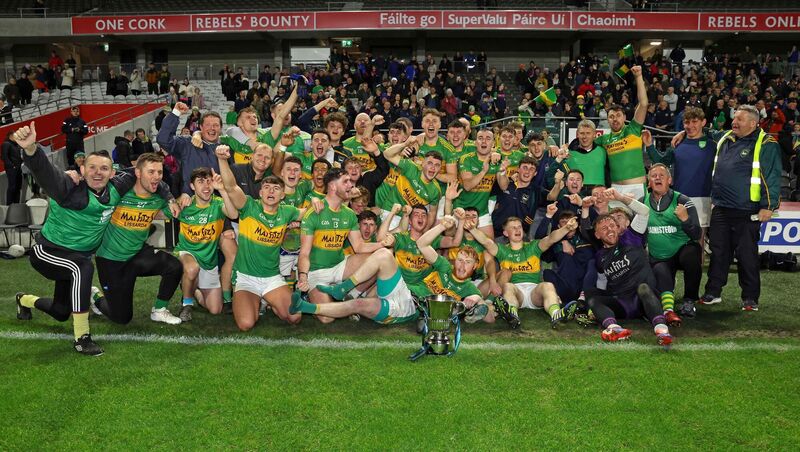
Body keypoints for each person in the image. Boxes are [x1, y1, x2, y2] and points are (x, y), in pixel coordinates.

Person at [12, 122, 139, 355]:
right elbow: (45, 172)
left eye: (103, 168)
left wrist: (170, 193)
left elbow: (140, 171)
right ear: (82, 170)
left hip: (74, 257)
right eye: (92, 167)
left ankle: (24, 300)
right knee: (82, 267)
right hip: (47, 253)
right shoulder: (67, 188)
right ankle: (82, 337)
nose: (97, 172)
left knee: (61, 312)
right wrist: (31, 149)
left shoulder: (117, 186)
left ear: (113, 173)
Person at [216, 145, 309, 330]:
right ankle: (254, 300)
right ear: (260, 192)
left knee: (295, 317)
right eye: (267, 187)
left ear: (283, 195)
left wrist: (316, 201)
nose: (271, 192)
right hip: (246, 278)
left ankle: (269, 301)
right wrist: (222, 159)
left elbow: (309, 213)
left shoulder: (287, 211)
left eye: (276, 188)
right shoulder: (249, 206)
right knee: (246, 324)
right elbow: (231, 186)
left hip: (271, 278)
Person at [699, 105, 782, 312]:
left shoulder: (766, 144)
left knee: (747, 256)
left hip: (747, 211)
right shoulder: (726, 136)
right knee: (718, 253)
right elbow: (708, 130)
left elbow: (771, 176)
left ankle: (750, 298)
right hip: (721, 208)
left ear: (753, 123)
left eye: (740, 120)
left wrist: (769, 206)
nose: (734, 122)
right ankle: (713, 292)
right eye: (734, 118)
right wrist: (685, 131)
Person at [90, 153, 182, 326]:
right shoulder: (118, 193)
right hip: (111, 260)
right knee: (121, 318)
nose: (156, 177)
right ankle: (95, 296)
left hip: (137, 256)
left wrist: (180, 200)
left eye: (160, 172)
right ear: (138, 173)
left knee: (174, 266)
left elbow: (167, 212)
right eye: (151, 172)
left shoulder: (159, 197)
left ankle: (159, 310)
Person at [586, 188, 673, 347]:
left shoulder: (631, 237)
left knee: (644, 288)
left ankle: (662, 329)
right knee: (592, 297)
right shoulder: (600, 257)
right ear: (597, 235)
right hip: (622, 303)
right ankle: (614, 328)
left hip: (643, 300)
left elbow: (644, 211)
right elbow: (601, 282)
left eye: (612, 225)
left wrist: (619, 197)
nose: (610, 229)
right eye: (604, 228)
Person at [469, 215, 579, 329]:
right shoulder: (502, 250)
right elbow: (487, 242)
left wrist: (566, 228)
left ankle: (557, 315)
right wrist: (472, 229)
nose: (518, 230)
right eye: (513, 228)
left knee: (548, 285)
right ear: (506, 233)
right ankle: (512, 315)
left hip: (534, 292)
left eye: (519, 227)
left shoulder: (534, 246)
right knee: (507, 286)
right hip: (516, 292)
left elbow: (551, 238)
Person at [644, 164, 702, 325]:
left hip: (681, 250)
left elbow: (697, 234)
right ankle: (668, 306)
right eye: (653, 176)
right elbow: (638, 233)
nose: (657, 178)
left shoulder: (682, 200)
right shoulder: (643, 202)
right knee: (659, 276)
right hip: (659, 256)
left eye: (661, 175)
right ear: (649, 182)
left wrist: (685, 220)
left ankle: (689, 300)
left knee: (692, 255)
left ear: (669, 180)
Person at [174, 167, 230, 322]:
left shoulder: (218, 204)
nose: (206, 186)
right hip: (187, 253)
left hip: (209, 261)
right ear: (192, 186)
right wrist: (173, 200)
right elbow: (161, 211)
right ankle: (186, 304)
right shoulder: (185, 204)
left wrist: (223, 191)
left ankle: (194, 290)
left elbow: (233, 214)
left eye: (209, 181)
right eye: (200, 182)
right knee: (192, 269)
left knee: (215, 309)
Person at [593, 65, 648, 203]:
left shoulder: (633, 130)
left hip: (637, 188)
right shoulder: (604, 140)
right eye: (611, 116)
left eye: (618, 115)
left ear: (624, 117)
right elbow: (584, 142)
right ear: (607, 120)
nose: (615, 119)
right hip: (615, 189)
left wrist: (639, 77)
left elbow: (644, 103)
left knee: (639, 225)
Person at [547, 119, 607, 187]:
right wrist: (549, 147)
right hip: (575, 193)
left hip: (598, 194)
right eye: (582, 133)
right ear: (577, 134)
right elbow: (550, 176)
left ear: (594, 134)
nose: (585, 137)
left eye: (588, 133)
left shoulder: (603, 151)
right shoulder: (567, 153)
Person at [2, 131, 24, 204]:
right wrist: (12, 166)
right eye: (15, 136)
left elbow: (18, 156)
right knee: (12, 187)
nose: (17, 137)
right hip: (12, 169)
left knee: (18, 187)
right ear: (10, 136)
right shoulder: (6, 144)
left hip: (18, 168)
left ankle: (16, 204)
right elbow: (4, 157)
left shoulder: (16, 145)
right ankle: (9, 204)